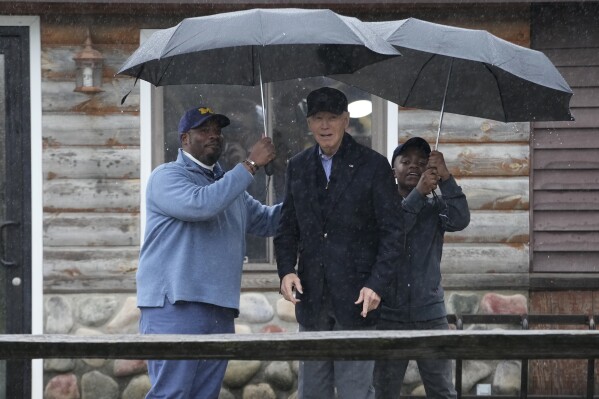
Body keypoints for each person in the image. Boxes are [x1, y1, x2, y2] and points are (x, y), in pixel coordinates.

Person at [137, 106, 281, 399]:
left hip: (218, 307)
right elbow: (200, 205)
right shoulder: (166, 177)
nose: (214, 136)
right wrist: (251, 163)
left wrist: (312, 195)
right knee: (172, 394)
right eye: (204, 130)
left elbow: (267, 221)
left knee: (205, 395)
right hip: (175, 306)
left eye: (217, 130)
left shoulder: (228, 185)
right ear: (184, 139)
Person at [274, 87, 403, 399]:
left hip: (358, 298)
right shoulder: (299, 166)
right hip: (312, 295)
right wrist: (286, 270)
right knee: (312, 391)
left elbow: (393, 233)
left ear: (346, 120)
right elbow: (287, 225)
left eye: (333, 118)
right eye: (318, 118)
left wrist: (376, 284)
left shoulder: (373, 165)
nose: (325, 126)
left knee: (355, 392)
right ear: (308, 123)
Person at [373, 137, 470, 399]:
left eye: (421, 162)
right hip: (388, 315)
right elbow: (394, 233)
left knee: (441, 390)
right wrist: (417, 194)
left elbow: (460, 219)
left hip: (430, 312)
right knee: (384, 390)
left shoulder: (436, 206)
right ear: (393, 170)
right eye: (406, 161)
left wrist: (447, 178)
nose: (413, 166)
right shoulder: (381, 204)